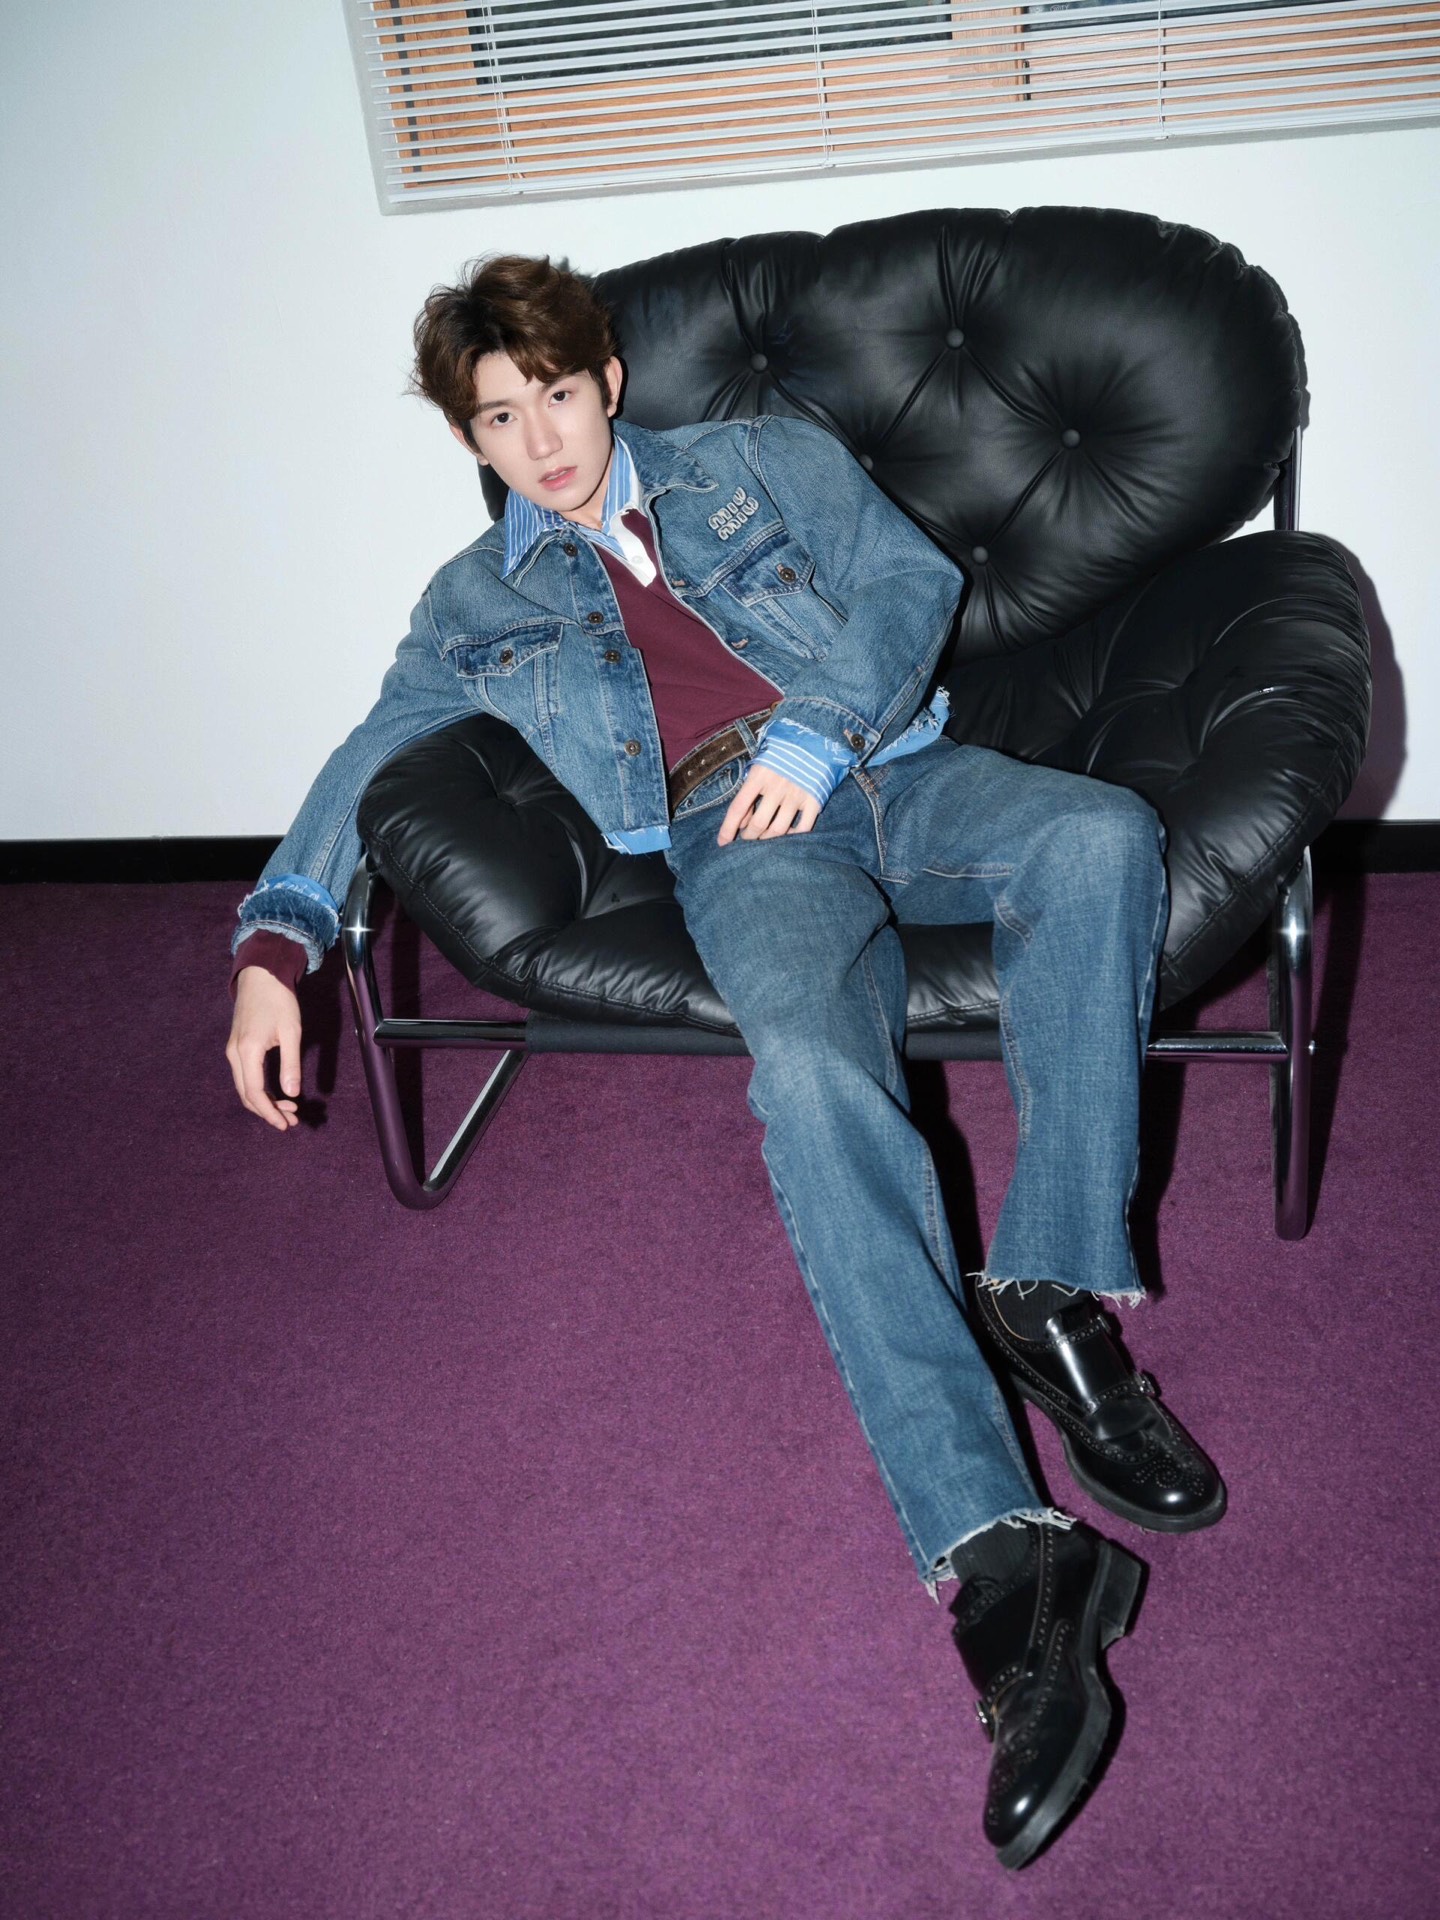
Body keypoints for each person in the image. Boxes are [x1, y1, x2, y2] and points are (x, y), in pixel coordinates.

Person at [226, 255, 1224, 1870]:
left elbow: (904, 585)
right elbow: (365, 756)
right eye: (500, 419)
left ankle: (1045, 1285)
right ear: (468, 439)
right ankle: (1007, 1563)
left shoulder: (759, 459)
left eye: (559, 394)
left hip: (895, 764)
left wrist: (821, 730)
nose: (543, 441)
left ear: (607, 380)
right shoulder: (473, 606)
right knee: (815, 1082)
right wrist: (274, 947)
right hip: (737, 842)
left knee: (1100, 836)